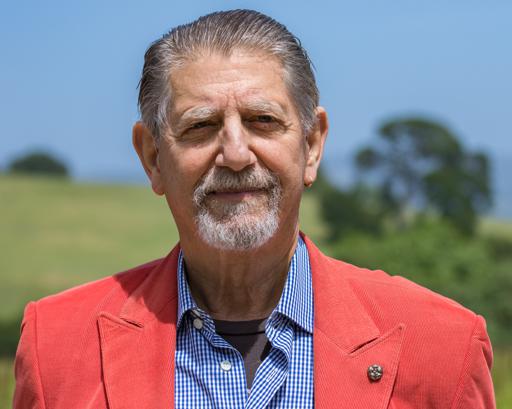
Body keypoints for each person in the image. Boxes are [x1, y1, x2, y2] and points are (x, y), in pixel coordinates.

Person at [14, 9, 495, 409]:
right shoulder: (56, 346)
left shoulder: (443, 348)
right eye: (200, 126)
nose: (236, 154)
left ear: (312, 145)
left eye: (262, 120)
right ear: (153, 158)